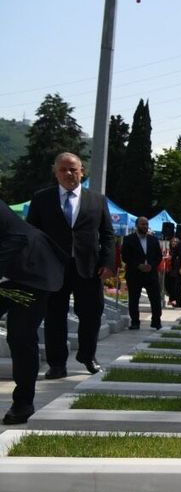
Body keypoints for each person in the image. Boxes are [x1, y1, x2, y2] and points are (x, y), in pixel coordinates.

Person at [26, 152, 115, 378]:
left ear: (81, 171)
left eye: (73, 169)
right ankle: (57, 364)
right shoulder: (42, 199)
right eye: (63, 169)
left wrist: (107, 263)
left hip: (89, 267)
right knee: (54, 316)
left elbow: (107, 234)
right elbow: (32, 233)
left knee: (92, 313)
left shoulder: (97, 200)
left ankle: (88, 356)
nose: (68, 174)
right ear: (55, 172)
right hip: (53, 267)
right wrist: (34, 265)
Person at [0, 203, 67, 424]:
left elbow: (16, 239)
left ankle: (23, 403)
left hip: (33, 269)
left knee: (20, 336)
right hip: (9, 272)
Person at [121, 216, 162, 329]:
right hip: (135, 274)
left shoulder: (153, 240)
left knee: (155, 298)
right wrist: (138, 265)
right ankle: (135, 322)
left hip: (151, 274)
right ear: (137, 225)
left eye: (146, 224)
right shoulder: (128, 239)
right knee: (134, 299)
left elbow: (158, 256)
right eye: (142, 224)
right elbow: (125, 257)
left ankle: (156, 321)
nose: (145, 226)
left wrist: (151, 266)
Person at [164, 236, 181, 306]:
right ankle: (171, 299)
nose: (173, 243)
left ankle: (174, 300)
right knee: (167, 285)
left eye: (175, 242)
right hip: (168, 270)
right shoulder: (168, 250)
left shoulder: (180, 251)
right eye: (172, 241)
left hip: (176, 271)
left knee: (174, 287)